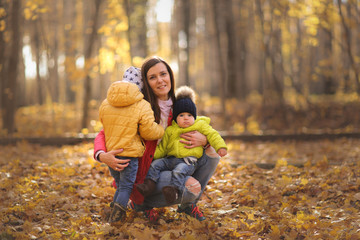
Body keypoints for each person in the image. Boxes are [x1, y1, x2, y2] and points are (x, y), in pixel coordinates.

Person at [94, 56, 221, 222]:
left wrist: (204, 140)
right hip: (145, 171)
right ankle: (142, 205)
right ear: (146, 83)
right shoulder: (138, 106)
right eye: (152, 77)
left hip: (172, 162)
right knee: (191, 187)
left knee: (212, 154)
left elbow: (202, 127)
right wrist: (101, 154)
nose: (160, 80)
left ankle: (187, 207)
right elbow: (104, 132)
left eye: (163, 74)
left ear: (170, 76)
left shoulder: (180, 105)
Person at [136, 86, 227, 204]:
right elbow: (163, 148)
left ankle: (174, 190)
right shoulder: (171, 129)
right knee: (156, 165)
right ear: (175, 117)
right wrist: (150, 155)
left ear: (194, 115)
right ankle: (149, 185)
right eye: (181, 115)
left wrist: (220, 146)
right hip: (170, 159)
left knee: (179, 171)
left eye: (189, 115)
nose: (186, 118)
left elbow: (213, 134)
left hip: (187, 161)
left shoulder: (199, 125)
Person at [98, 66, 164, 223]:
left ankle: (113, 207)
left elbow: (104, 126)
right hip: (130, 154)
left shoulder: (106, 103)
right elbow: (148, 132)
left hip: (112, 154)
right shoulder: (141, 104)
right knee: (127, 187)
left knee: (121, 184)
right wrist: (160, 130)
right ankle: (117, 215)